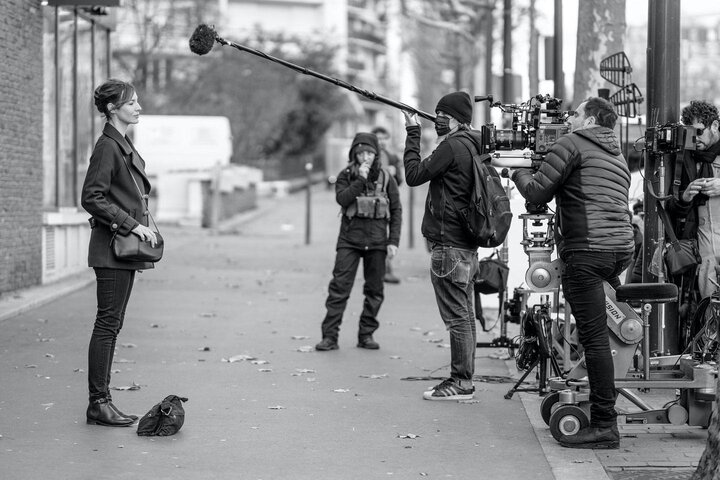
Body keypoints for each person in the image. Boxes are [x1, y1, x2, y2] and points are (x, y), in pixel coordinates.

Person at [509, 97, 635, 449]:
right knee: (608, 332)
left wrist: (517, 169)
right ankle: (592, 400)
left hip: (587, 253)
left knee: (596, 340)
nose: (570, 119)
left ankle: (605, 426)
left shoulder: (572, 144)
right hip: (618, 251)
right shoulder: (617, 154)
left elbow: (536, 191)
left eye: (576, 114)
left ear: (590, 118)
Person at [81, 79, 159, 427]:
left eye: (138, 101)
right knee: (107, 324)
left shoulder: (120, 144)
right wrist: (132, 225)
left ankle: (103, 401)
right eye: (131, 102)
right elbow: (92, 197)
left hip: (120, 250)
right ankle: (98, 403)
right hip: (111, 248)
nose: (138, 107)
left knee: (112, 324)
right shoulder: (107, 147)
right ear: (113, 108)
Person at [402, 91, 482, 401]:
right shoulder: (473, 145)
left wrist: (412, 133)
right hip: (467, 246)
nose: (437, 120)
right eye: (435, 114)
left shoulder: (451, 147)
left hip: (449, 247)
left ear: (458, 120)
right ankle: (465, 380)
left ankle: (461, 382)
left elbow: (413, 175)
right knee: (465, 315)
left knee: (457, 318)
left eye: (442, 116)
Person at [315, 132, 402, 351]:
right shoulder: (345, 175)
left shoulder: (386, 177)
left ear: (376, 154)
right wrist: (360, 179)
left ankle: (366, 335)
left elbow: (395, 210)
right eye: (360, 152)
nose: (365, 156)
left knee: (374, 291)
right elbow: (342, 199)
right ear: (354, 154)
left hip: (377, 241)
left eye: (369, 152)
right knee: (339, 289)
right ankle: (330, 337)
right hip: (350, 240)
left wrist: (393, 241)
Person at [666, 100, 720, 301]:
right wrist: (685, 197)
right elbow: (671, 208)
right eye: (689, 133)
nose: (694, 139)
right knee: (709, 313)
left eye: (698, 132)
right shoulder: (685, 157)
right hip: (703, 251)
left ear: (714, 125)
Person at [371, 126, 404, 284]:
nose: (381, 142)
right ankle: (383, 268)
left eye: (384, 138)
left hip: (388, 201)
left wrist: (394, 173)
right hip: (370, 202)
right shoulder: (368, 155)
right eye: (378, 138)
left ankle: (385, 268)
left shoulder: (392, 157)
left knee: (387, 233)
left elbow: (400, 181)